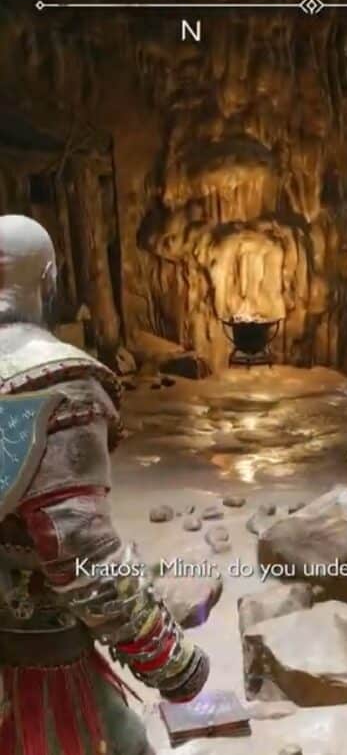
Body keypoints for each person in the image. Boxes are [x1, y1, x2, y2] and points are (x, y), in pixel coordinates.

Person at [0, 215, 210, 755]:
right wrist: (170, 660)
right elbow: (82, 553)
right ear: (47, 279)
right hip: (37, 666)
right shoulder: (55, 381)